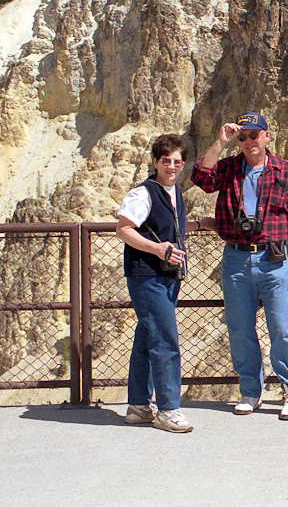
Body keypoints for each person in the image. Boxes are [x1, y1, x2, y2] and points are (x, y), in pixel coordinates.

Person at [190, 112, 288, 420]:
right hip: (235, 258)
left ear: (266, 136)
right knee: (239, 329)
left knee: (281, 329)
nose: (248, 142)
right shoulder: (229, 168)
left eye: (254, 135)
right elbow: (201, 179)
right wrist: (220, 143)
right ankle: (251, 391)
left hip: (272, 259)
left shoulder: (286, 171)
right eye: (242, 137)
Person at [115, 133, 208, 433]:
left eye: (178, 162)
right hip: (147, 276)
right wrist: (157, 249)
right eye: (166, 161)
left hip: (167, 276)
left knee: (147, 336)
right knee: (166, 340)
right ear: (155, 161)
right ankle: (168, 409)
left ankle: (139, 406)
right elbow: (124, 230)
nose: (172, 166)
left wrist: (199, 225)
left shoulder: (174, 192)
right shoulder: (142, 194)